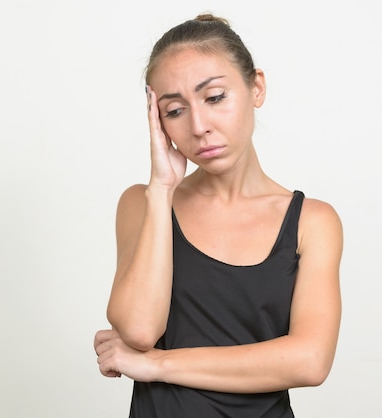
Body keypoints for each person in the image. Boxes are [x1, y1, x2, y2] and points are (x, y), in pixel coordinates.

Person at [93, 14, 343, 417]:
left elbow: (310, 360)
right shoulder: (143, 204)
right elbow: (139, 331)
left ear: (256, 87)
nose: (199, 126)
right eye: (174, 111)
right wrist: (161, 188)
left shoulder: (312, 222)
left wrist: (158, 364)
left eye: (214, 98)